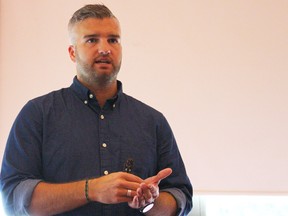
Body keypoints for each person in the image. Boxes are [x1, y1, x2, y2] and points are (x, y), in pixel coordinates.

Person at [0, 4, 192, 216]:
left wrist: (151, 201)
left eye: (113, 40)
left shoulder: (153, 121)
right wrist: (92, 189)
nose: (105, 49)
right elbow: (13, 198)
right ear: (72, 52)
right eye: (92, 40)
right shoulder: (37, 114)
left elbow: (181, 197)